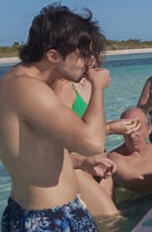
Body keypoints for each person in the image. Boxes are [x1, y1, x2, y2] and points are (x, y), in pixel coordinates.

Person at [0, 3, 111, 232]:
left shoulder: (11, 84)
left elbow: (33, 151)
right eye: (83, 54)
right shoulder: (29, 90)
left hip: (26, 217)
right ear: (53, 55)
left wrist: (79, 163)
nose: (90, 62)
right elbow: (93, 141)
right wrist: (97, 89)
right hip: (52, 223)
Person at [52, 77, 141, 216]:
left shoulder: (92, 83)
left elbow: (93, 126)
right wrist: (111, 128)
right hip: (78, 166)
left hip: (100, 163)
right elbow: (64, 134)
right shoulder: (63, 86)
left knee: (108, 222)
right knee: (112, 220)